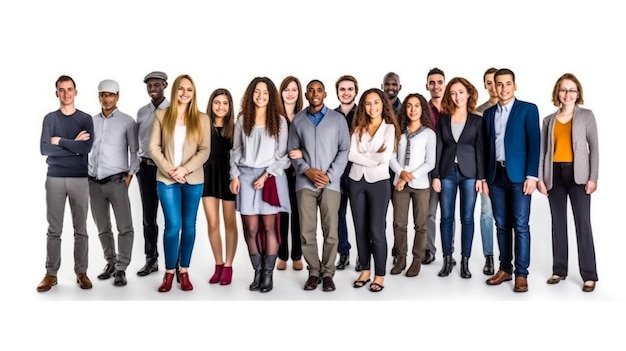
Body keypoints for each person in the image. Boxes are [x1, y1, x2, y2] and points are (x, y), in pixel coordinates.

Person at [538, 73, 599, 292]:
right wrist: (541, 178)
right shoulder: (548, 120)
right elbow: (543, 151)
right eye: (564, 90)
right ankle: (559, 270)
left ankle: (589, 275)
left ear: (578, 93)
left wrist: (593, 177)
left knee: (583, 223)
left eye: (572, 90)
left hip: (579, 175)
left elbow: (594, 149)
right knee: (558, 223)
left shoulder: (586, 116)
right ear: (558, 93)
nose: (568, 94)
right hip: (554, 174)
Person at [149, 74, 210, 292]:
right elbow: (153, 148)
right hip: (167, 180)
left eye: (189, 90)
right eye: (181, 89)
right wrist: (170, 170)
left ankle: (184, 270)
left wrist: (185, 169)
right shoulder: (161, 115)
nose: (185, 93)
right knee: (173, 227)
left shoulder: (202, 119)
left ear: (194, 93)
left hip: (193, 180)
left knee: (189, 227)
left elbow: (205, 150)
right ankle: (168, 273)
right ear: (174, 91)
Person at [229, 77, 291, 293]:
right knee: (250, 228)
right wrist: (234, 176)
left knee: (269, 227)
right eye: (257, 91)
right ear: (251, 94)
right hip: (246, 176)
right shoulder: (243, 119)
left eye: (265, 92)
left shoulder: (280, 121)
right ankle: (257, 270)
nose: (261, 96)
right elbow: (236, 151)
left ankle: (268, 274)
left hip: (270, 177)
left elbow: (283, 157)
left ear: (271, 96)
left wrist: (265, 176)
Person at [288, 79, 350, 292]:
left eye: (319, 90)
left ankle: (328, 273)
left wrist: (330, 175)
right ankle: (314, 271)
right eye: (311, 90)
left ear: (325, 94)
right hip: (304, 183)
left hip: (330, 184)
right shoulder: (298, 120)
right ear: (306, 94)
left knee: (331, 230)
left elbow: (344, 150)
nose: (315, 93)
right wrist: (307, 170)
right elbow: (292, 151)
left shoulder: (337, 120)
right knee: (307, 230)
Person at [483, 68, 540, 293]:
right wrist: (485, 178)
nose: (503, 88)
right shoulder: (488, 114)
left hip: (519, 178)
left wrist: (532, 176)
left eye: (508, 84)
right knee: (501, 224)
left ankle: (521, 274)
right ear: (494, 87)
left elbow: (535, 144)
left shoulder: (528, 110)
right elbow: (486, 147)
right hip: (496, 176)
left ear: (514, 85)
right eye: (499, 84)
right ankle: (505, 268)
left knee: (521, 225)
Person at [37, 75, 94, 292]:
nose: (66, 94)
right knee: (54, 229)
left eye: (70, 89)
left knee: (81, 229)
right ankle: (51, 274)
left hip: (80, 178)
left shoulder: (85, 119)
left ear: (76, 92)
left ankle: (82, 272)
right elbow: (44, 149)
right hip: (55, 178)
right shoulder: (49, 119)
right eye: (62, 90)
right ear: (56, 93)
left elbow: (86, 148)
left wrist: (59, 141)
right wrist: (73, 145)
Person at [431, 77, 484, 279]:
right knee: (446, 217)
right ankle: (447, 259)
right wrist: (435, 175)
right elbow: (438, 148)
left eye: (460, 92)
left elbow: (480, 150)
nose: (457, 96)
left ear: (468, 93)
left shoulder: (477, 120)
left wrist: (481, 177)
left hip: (470, 174)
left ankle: (465, 261)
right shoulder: (443, 119)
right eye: (453, 93)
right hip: (446, 173)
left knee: (467, 218)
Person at [349, 88, 400, 293]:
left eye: (376, 102)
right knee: (360, 229)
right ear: (363, 106)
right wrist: (372, 156)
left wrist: (367, 155)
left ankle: (380, 274)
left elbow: (385, 158)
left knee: (376, 230)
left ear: (383, 104)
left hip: (379, 183)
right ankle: (365, 269)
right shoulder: (358, 127)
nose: (372, 107)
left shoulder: (389, 129)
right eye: (368, 103)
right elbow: (351, 155)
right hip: (356, 181)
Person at [89, 79, 139, 287]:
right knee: (102, 227)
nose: (106, 99)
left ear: (117, 97)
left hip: (117, 181)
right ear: (99, 96)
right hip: (93, 182)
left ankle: (121, 268)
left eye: (110, 95)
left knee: (124, 227)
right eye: (102, 95)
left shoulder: (127, 122)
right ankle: (110, 262)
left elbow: (135, 152)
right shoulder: (90, 121)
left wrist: (128, 178)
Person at [389, 93, 436, 277]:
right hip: (399, 184)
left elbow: (430, 163)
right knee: (399, 223)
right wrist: (400, 173)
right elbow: (391, 157)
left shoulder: (429, 134)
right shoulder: (397, 131)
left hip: (421, 185)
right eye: (409, 106)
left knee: (420, 224)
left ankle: (417, 260)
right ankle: (401, 258)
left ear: (422, 109)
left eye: (417, 106)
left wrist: (408, 177)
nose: (413, 109)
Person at [202, 88, 238, 285]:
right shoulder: (203, 125)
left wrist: (235, 178)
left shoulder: (235, 127)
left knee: (230, 223)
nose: (221, 106)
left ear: (230, 106)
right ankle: (218, 264)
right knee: (213, 223)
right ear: (211, 104)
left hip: (229, 178)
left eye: (225, 103)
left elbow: (239, 156)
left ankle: (229, 266)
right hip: (207, 177)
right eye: (217, 102)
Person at [135, 71, 169, 277]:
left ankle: (175, 262)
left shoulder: (174, 110)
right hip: (146, 168)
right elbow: (138, 140)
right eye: (149, 85)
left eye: (157, 84)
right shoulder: (141, 112)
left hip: (166, 169)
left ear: (165, 84)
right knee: (149, 217)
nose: (152, 88)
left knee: (171, 217)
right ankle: (151, 259)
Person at [276, 76, 304, 271]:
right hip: (279, 171)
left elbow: (313, 143)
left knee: (299, 213)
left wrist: (303, 153)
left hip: (301, 171)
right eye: (286, 89)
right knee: (281, 213)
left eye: (294, 89)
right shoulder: (275, 116)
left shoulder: (305, 116)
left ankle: (297, 254)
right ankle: (282, 255)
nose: (290, 93)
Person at [333, 74, 359, 270]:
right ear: (337, 93)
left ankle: (363, 255)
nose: (346, 92)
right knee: (338, 214)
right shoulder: (331, 116)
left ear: (355, 92)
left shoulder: (364, 114)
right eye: (342, 89)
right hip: (337, 173)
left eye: (350, 89)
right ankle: (344, 253)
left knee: (360, 215)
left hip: (358, 171)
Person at [475, 67, 498, 276]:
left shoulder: (514, 108)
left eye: (496, 81)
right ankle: (489, 256)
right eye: (488, 82)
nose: (493, 86)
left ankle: (507, 257)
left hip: (507, 171)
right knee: (486, 213)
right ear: (485, 85)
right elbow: (477, 146)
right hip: (485, 172)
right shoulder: (479, 111)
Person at [423, 67, 447, 266]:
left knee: (449, 214)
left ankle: (450, 253)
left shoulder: (455, 107)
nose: (436, 86)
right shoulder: (423, 110)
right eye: (432, 83)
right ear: (427, 86)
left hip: (451, 167)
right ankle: (429, 250)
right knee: (429, 212)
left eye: (439, 82)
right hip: (429, 169)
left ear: (444, 85)